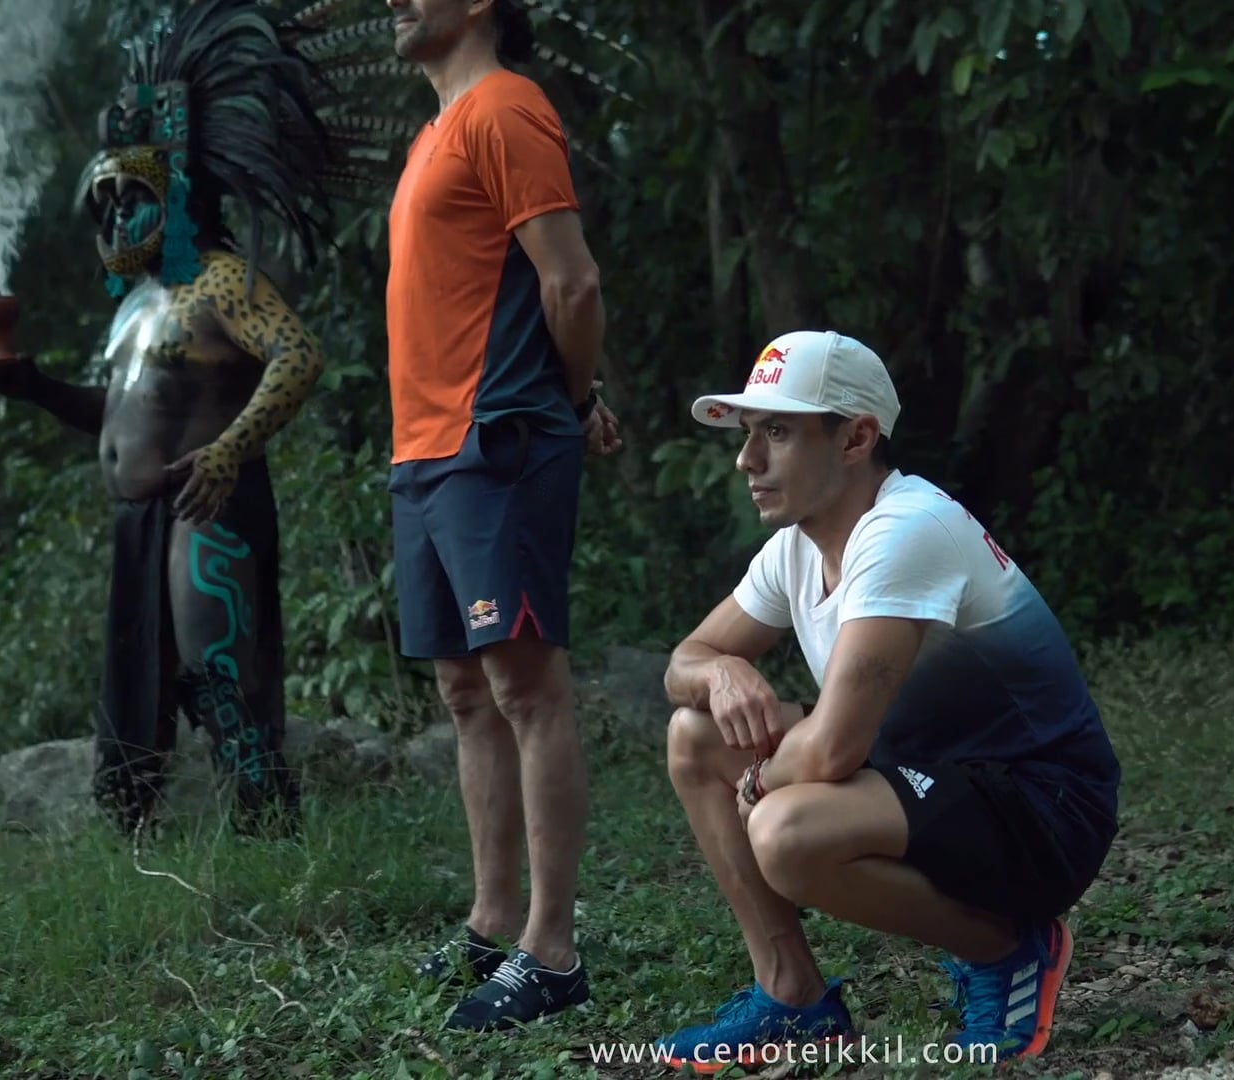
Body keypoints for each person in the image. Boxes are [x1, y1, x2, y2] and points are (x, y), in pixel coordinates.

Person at [0, 0, 428, 840]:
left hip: (204, 506)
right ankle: (150, 840)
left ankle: (268, 832)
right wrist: (35, 387)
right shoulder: (134, 307)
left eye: (130, 195)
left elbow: (298, 356)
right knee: (143, 685)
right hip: (139, 517)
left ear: (176, 194)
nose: (112, 215)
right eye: (101, 200)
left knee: (222, 676)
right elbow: (119, 413)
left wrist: (226, 452)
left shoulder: (223, 281)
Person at [654, 330, 1122, 1069]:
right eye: (749, 435)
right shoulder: (796, 550)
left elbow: (835, 747)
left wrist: (761, 780)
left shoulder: (906, 529)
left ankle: (1008, 949)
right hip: (930, 778)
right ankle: (794, 997)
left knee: (784, 830)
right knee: (694, 734)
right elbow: (685, 660)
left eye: (777, 432)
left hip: (1041, 807)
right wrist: (719, 675)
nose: (748, 460)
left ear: (857, 438)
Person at [383, 0, 625, 1034]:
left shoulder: (505, 107)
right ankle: (491, 922)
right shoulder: (431, 132)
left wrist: (568, 404)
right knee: (465, 692)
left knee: (526, 686)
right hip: (423, 450)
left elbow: (570, 282)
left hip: (496, 439)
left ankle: (552, 952)